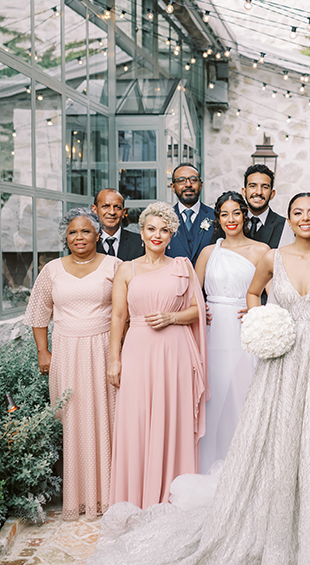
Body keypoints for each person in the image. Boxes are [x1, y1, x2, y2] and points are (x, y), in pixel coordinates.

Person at [86, 193, 310, 565]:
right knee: (277, 442)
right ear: (292, 217)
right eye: (298, 212)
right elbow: (254, 295)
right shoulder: (273, 258)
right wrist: (262, 320)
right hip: (282, 360)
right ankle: (274, 539)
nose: (305, 218)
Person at [108, 202, 207, 509]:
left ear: (171, 234)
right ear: (142, 232)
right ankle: (136, 496)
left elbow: (197, 310)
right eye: (152, 229)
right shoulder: (127, 268)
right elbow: (117, 317)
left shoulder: (182, 266)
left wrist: (170, 317)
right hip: (137, 349)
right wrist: (114, 360)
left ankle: (173, 495)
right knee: (137, 419)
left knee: (172, 416)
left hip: (174, 352)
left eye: (165, 230)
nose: (157, 235)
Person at [24, 208, 120, 520]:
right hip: (65, 352)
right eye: (73, 233)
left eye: (86, 232)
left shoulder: (115, 266)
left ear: (97, 235)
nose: (79, 238)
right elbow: (39, 313)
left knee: (107, 418)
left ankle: (109, 494)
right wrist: (43, 351)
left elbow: (125, 314)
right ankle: (77, 496)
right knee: (72, 418)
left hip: (104, 350)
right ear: (66, 237)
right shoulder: (51, 270)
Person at [194, 192, 269, 472]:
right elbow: (192, 294)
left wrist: (257, 309)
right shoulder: (208, 252)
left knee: (244, 395)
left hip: (245, 331)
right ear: (218, 219)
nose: (230, 219)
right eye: (224, 214)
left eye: (236, 213)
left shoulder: (261, 250)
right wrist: (201, 310)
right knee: (215, 395)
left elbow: (274, 295)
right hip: (213, 333)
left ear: (244, 215)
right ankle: (210, 463)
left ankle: (246, 468)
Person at [167, 164, 216, 262]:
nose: (188, 184)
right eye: (181, 180)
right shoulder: (165, 219)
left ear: (201, 185)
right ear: (173, 187)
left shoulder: (215, 217)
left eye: (193, 180)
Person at [92, 188, 143, 260]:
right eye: (105, 206)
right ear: (95, 210)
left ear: (123, 212)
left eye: (117, 207)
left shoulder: (139, 243)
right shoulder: (87, 242)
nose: (112, 212)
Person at [242, 164, 285, 248]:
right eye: (253, 186)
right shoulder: (233, 222)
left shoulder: (284, 226)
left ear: (272, 194)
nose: (258, 192)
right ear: (244, 192)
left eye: (265, 187)